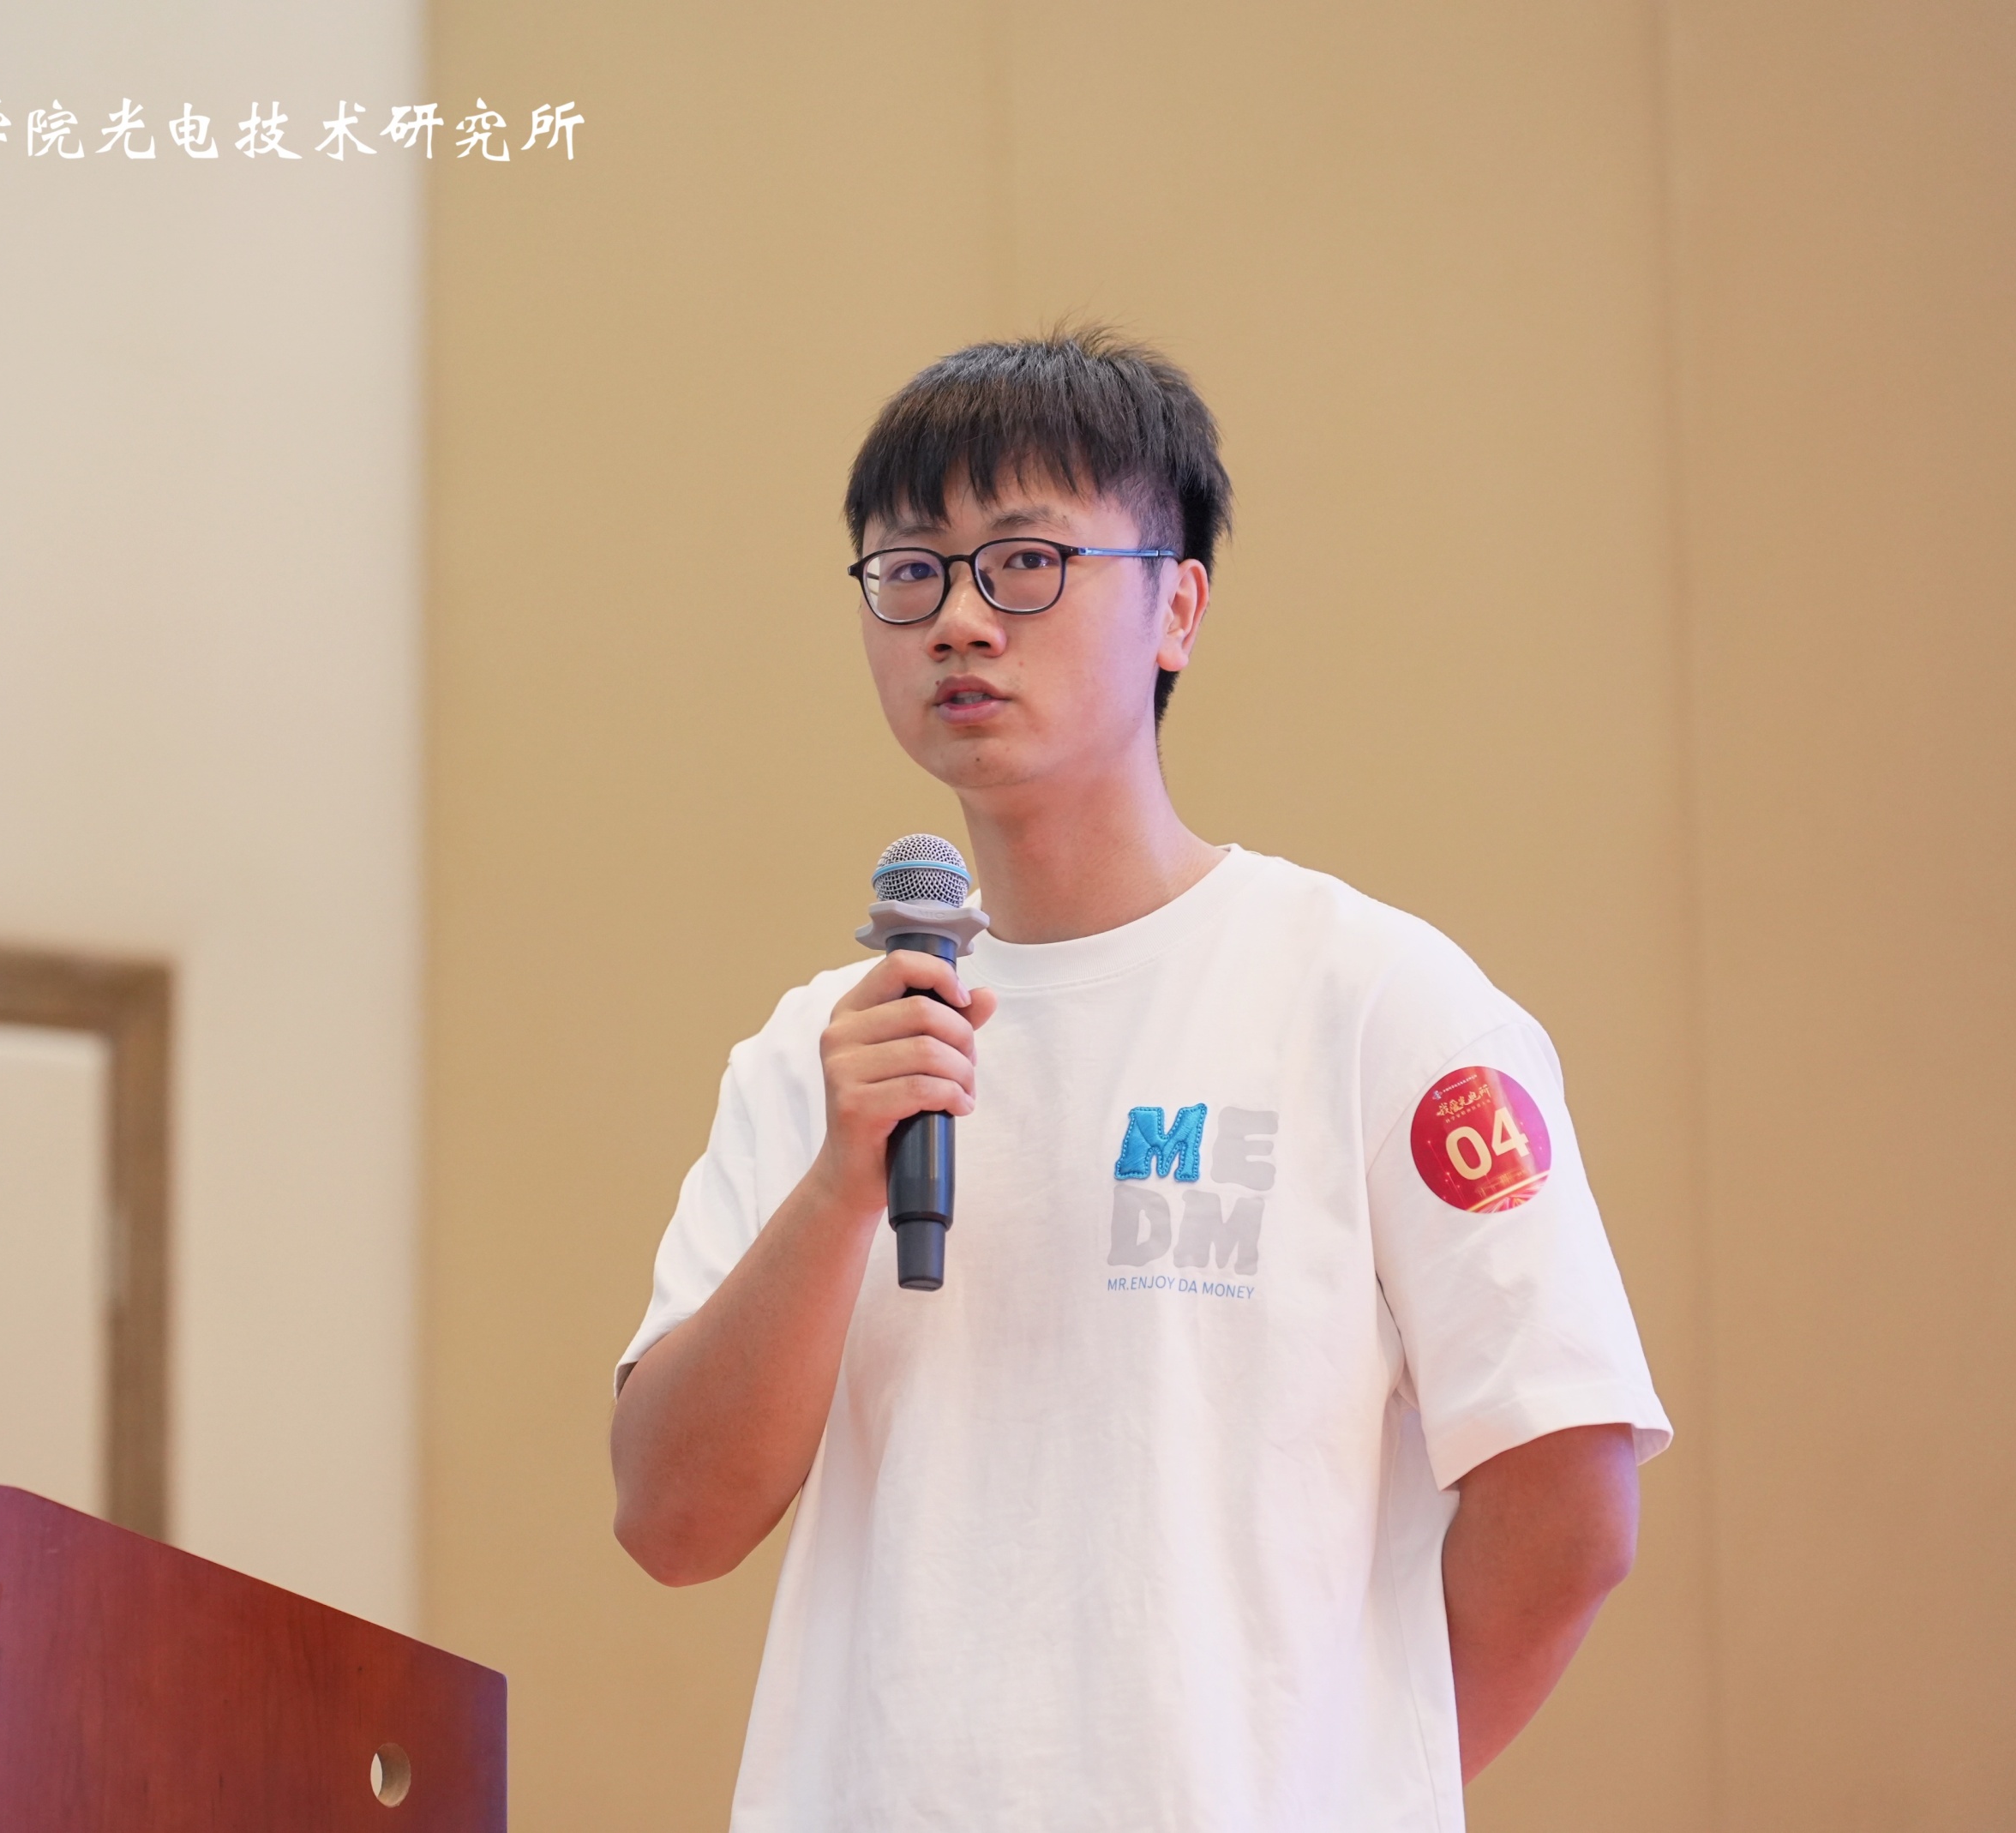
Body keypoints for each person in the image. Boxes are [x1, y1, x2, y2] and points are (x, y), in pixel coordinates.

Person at [609, 328, 1671, 1831]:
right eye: (909, 569)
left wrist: (1333, 1782)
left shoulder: (1372, 1000)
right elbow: (670, 1519)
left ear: (1176, 606)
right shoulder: (820, 1054)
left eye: (1023, 562)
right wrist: (845, 1181)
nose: (959, 618)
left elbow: (1566, 1507)